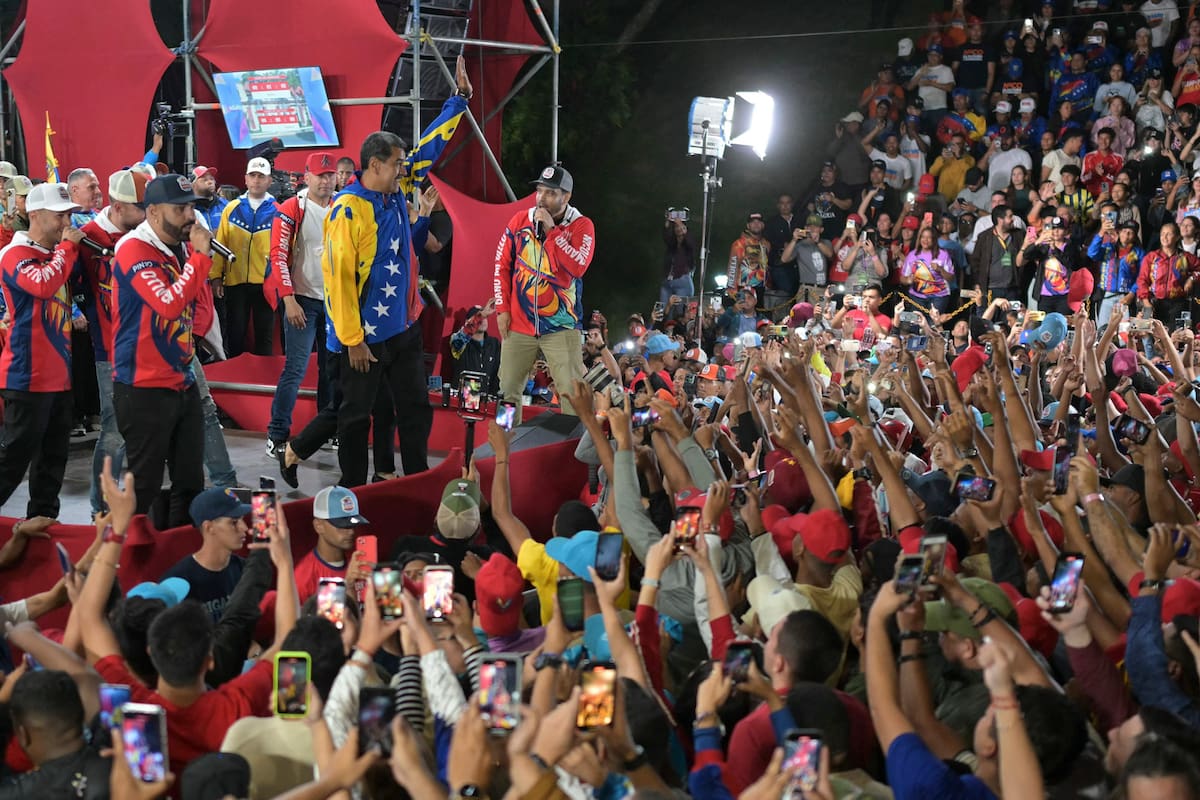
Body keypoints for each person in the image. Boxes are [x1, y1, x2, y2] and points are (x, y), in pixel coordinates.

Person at [277, 59, 471, 488]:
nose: (406, 168)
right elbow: (338, 281)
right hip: (360, 335)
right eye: (398, 163)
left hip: (402, 326)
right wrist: (353, 340)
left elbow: (430, 146)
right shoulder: (348, 209)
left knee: (413, 406)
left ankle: (415, 477)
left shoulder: (399, 188)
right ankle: (352, 488)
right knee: (352, 416)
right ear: (376, 165)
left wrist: (459, 101)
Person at [110, 174, 211, 528]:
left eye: (192, 208)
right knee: (144, 486)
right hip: (143, 387)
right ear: (153, 212)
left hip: (181, 380)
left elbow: (194, 300)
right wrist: (200, 258)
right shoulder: (133, 249)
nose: (190, 217)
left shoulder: (177, 247)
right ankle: (129, 563)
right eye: (181, 208)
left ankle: (179, 558)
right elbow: (167, 304)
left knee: (190, 482)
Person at [0, 183, 82, 519]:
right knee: (13, 459)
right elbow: (44, 284)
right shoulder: (15, 254)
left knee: (53, 459)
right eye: (59, 214)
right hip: (26, 374)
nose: (66, 222)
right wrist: (66, 249)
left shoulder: (55, 254)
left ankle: (42, 522)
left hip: (58, 375)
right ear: (34, 215)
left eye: (68, 214)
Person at [493, 164, 595, 424]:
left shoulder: (582, 225)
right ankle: (505, 444)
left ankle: (571, 454)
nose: (542, 198)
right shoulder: (519, 221)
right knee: (507, 391)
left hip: (561, 327)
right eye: (540, 191)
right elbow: (501, 265)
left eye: (550, 193)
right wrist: (503, 309)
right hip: (518, 325)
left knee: (572, 394)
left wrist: (553, 232)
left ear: (566, 197)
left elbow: (577, 267)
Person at [79, 170, 148, 519]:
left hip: (151, 346)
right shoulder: (88, 237)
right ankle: (101, 506)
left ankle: (130, 504)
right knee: (114, 429)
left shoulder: (145, 234)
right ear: (120, 207)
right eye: (141, 208)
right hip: (110, 347)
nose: (148, 214)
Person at [263, 152, 337, 458]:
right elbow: (277, 254)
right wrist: (288, 298)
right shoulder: (292, 207)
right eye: (319, 175)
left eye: (330, 174)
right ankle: (276, 434)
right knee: (295, 368)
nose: (325, 180)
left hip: (334, 301)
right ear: (306, 177)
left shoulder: (343, 206)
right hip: (302, 299)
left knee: (331, 370)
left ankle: (327, 432)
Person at [0, 670, 111, 798]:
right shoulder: (122, 763)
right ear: (81, 715)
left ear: (23, 735)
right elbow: (89, 679)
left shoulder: (15, 793)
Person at [209, 156, 277, 358]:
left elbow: (282, 251)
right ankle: (236, 376)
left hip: (266, 283)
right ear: (246, 179)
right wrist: (215, 276)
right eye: (253, 175)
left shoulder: (278, 211)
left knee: (264, 336)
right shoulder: (231, 209)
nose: (257, 180)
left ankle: (266, 381)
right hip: (235, 282)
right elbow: (221, 245)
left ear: (269, 181)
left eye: (261, 176)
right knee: (235, 334)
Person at [160, 487, 252, 621]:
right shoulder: (178, 583)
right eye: (234, 522)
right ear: (209, 527)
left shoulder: (243, 568)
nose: (244, 527)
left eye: (242, 520)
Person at [292, 485, 370, 602]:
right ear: (319, 526)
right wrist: (347, 585)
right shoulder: (304, 578)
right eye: (342, 526)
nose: (351, 531)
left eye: (353, 525)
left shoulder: (360, 560)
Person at [1137, 220, 1199, 322]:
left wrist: (1192, 278)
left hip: (1178, 304)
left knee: (1174, 336)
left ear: (1177, 237)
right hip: (1152, 302)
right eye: (1162, 234)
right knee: (1148, 333)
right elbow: (1142, 280)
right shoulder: (1151, 257)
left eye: (1169, 234)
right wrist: (1146, 302)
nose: (1164, 237)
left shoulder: (1185, 257)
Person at [1019, 215, 1081, 314]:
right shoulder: (1044, 247)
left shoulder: (1071, 246)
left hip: (1064, 295)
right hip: (1045, 295)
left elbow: (1071, 264)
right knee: (1045, 324)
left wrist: (1054, 249)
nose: (1056, 231)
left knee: (1062, 323)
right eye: (1054, 228)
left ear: (1066, 231)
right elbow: (1026, 255)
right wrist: (1038, 241)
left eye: (1060, 229)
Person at [1090, 217, 1143, 326]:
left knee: (1124, 335)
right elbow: (1092, 253)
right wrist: (1101, 232)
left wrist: (1132, 294)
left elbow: (1142, 276)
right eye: (1124, 231)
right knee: (1102, 331)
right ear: (1119, 232)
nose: (1126, 235)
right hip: (1106, 295)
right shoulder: (1108, 248)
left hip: (1125, 297)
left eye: (1130, 233)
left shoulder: (1139, 253)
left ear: (1135, 236)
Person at [970, 204, 1022, 307]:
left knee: (1012, 319)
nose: (1013, 219)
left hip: (1012, 289)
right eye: (1010, 216)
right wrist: (977, 283)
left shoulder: (1019, 235)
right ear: (1000, 219)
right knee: (990, 319)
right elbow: (975, 262)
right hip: (991, 288)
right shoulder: (984, 237)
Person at [449, 299, 501, 395]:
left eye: (485, 317)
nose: (482, 320)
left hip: (487, 401)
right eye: (477, 317)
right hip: (462, 400)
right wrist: (481, 316)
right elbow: (460, 339)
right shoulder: (459, 342)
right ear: (467, 322)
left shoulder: (495, 345)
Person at [901, 226, 955, 314]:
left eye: (929, 237)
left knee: (933, 325)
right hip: (916, 296)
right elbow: (902, 278)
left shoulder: (943, 254)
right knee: (915, 325)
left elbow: (951, 278)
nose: (925, 240)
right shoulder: (912, 255)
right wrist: (908, 280)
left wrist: (940, 269)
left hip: (939, 297)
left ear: (934, 239)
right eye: (923, 237)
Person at [727, 212, 771, 300]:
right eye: (753, 222)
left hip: (762, 289)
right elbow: (733, 267)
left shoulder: (766, 244)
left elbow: (766, 266)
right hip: (744, 288)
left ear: (763, 225)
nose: (756, 224)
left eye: (758, 222)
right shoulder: (739, 243)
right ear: (748, 225)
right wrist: (731, 289)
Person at [661, 212, 695, 303]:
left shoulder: (689, 243)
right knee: (663, 311)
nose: (679, 229)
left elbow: (690, 242)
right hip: (668, 281)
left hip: (682, 281)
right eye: (676, 227)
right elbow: (666, 237)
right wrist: (668, 222)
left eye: (682, 227)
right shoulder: (672, 245)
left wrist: (679, 223)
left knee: (679, 312)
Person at [190, 166, 227, 233]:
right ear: (193, 184)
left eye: (212, 179)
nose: (210, 182)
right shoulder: (188, 209)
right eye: (205, 180)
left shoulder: (225, 205)